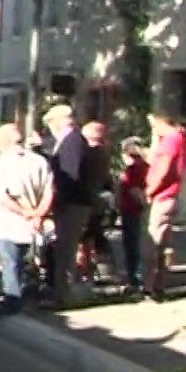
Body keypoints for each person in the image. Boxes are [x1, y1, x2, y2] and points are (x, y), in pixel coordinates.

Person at [0, 124, 54, 317]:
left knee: (11, 262)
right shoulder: (39, 161)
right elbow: (49, 190)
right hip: (33, 224)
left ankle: (12, 300)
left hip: (11, 222)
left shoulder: (2, 163)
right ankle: (31, 295)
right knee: (30, 260)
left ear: (4, 141)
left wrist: (25, 212)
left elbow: (2, 196)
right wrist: (38, 213)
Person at [41, 104, 91, 309]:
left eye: (51, 123)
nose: (50, 128)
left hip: (72, 204)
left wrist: (55, 198)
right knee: (61, 249)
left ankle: (64, 296)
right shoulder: (69, 141)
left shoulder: (72, 141)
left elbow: (70, 176)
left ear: (60, 121)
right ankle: (60, 292)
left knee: (66, 250)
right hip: (68, 203)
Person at [144, 109, 186, 302]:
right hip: (169, 195)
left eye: (155, 125)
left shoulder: (171, 139)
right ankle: (158, 285)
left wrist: (150, 190)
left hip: (162, 195)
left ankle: (151, 287)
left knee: (153, 244)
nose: (154, 130)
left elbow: (164, 167)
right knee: (162, 243)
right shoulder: (180, 138)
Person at [79, 121, 114, 283]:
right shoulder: (104, 154)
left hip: (87, 202)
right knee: (94, 236)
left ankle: (86, 272)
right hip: (98, 203)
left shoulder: (90, 154)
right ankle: (96, 270)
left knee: (84, 239)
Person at [117, 137, 150, 296]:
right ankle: (138, 279)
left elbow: (134, 190)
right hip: (134, 210)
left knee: (132, 246)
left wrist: (144, 206)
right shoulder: (146, 167)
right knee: (137, 245)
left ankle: (135, 281)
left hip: (132, 210)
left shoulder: (133, 170)